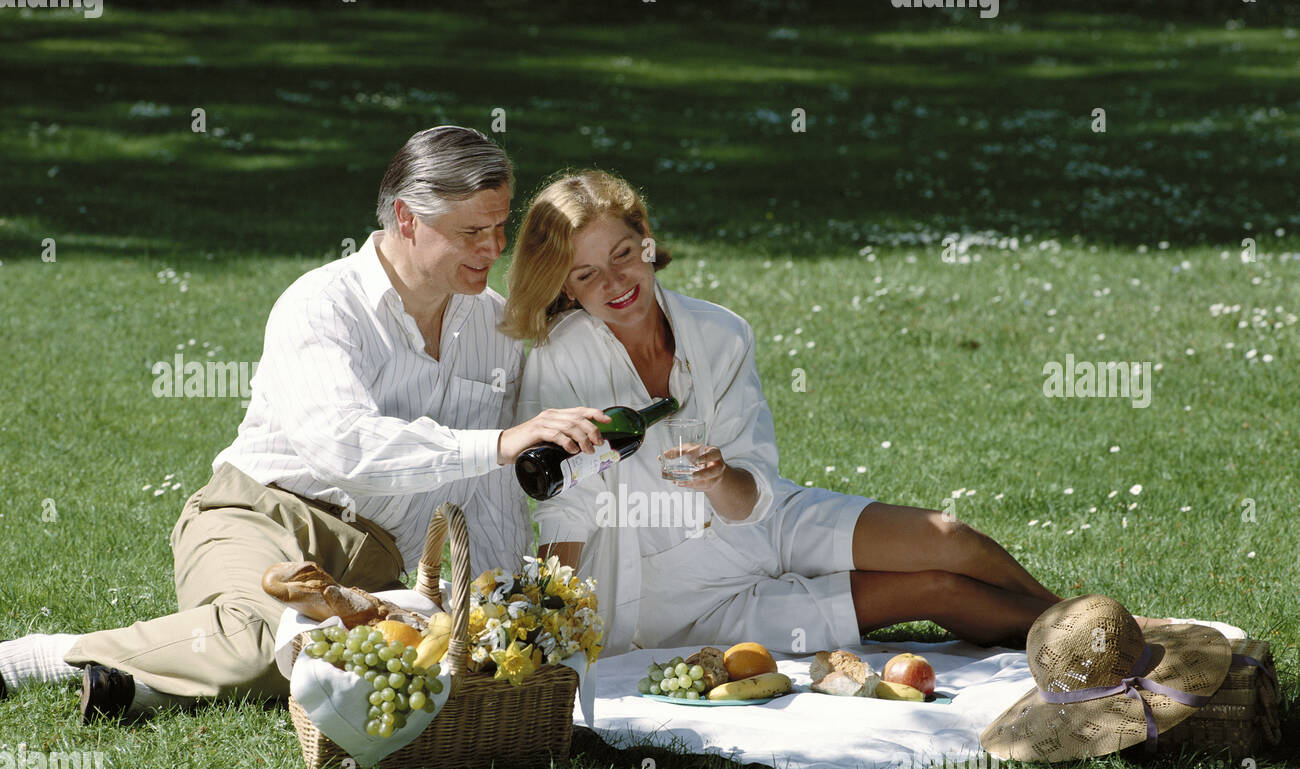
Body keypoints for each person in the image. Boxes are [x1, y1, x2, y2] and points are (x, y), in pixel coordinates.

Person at [0, 126, 605, 720]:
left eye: (499, 228)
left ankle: (133, 686)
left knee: (372, 659)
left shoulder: (495, 332)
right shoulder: (321, 304)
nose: (492, 248)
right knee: (260, 643)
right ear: (406, 218)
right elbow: (342, 444)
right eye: (471, 231)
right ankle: (29, 660)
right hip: (262, 519)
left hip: (373, 564)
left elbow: (491, 491)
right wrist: (497, 444)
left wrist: (496, 612)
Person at [506, 169, 1064, 658]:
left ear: (647, 241)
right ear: (566, 288)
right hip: (681, 596)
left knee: (948, 537)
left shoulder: (719, 333)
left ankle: (1097, 625)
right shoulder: (562, 358)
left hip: (764, 522)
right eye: (585, 274)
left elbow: (754, 488)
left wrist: (721, 477)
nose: (613, 282)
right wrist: (553, 629)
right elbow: (565, 509)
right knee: (938, 591)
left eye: (623, 254)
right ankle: (1088, 637)